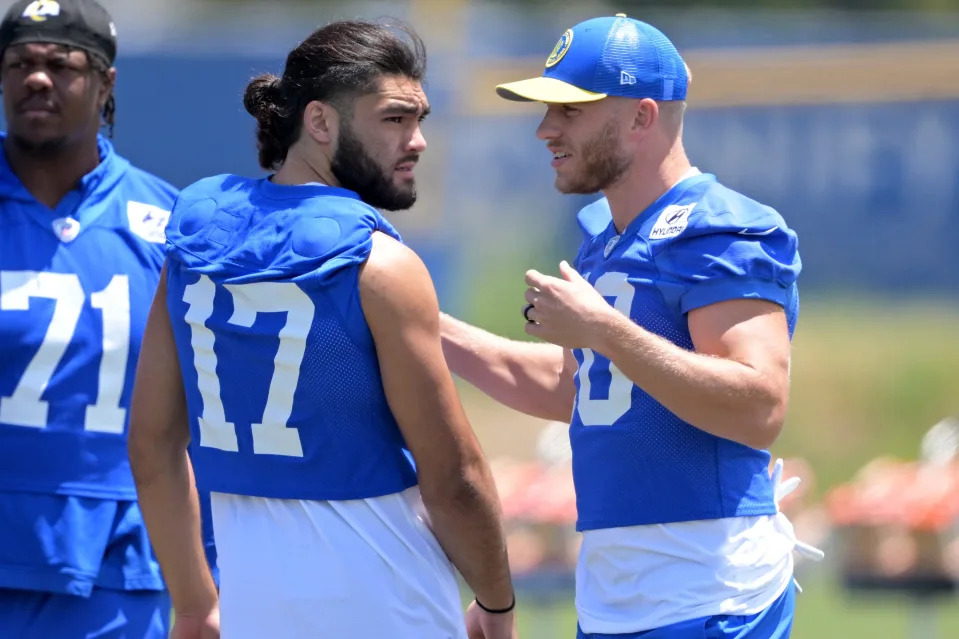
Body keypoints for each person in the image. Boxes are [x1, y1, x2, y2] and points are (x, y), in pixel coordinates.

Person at [127, 19, 517, 639]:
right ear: (320, 122)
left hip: (256, 606)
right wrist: (497, 607)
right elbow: (455, 479)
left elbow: (151, 445)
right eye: (394, 119)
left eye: (420, 120)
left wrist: (196, 602)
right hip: (391, 601)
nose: (416, 142)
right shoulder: (378, 264)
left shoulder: (192, 246)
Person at [440, 13, 821, 639]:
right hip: (614, 591)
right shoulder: (603, 234)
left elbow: (760, 404)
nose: (545, 130)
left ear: (642, 117)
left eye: (572, 111)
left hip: (710, 591)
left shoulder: (720, 229)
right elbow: (581, 388)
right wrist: (426, 326)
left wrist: (605, 330)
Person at [0, 0, 215, 637]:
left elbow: (198, 410)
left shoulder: (167, 223)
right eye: (19, 64)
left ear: (105, 81)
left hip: (118, 565)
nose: (37, 79)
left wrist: (206, 578)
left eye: (61, 64)